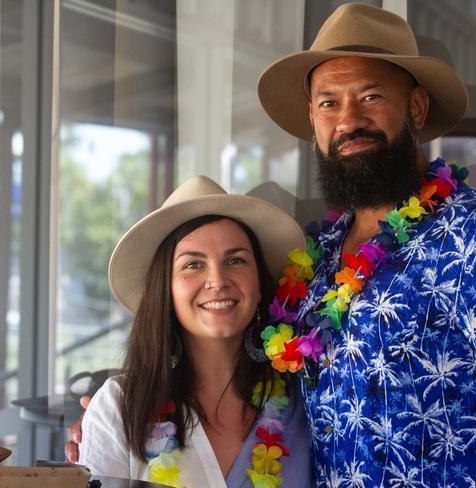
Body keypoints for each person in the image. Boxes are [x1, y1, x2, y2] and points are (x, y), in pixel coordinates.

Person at [253, 3, 476, 488]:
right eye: (329, 103)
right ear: (312, 119)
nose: (349, 120)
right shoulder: (316, 257)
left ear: (416, 107)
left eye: (370, 97)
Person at [75, 175, 311, 487]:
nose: (218, 280)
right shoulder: (118, 408)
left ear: (258, 286)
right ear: (166, 291)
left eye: (236, 260)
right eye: (193, 265)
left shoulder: (306, 400)